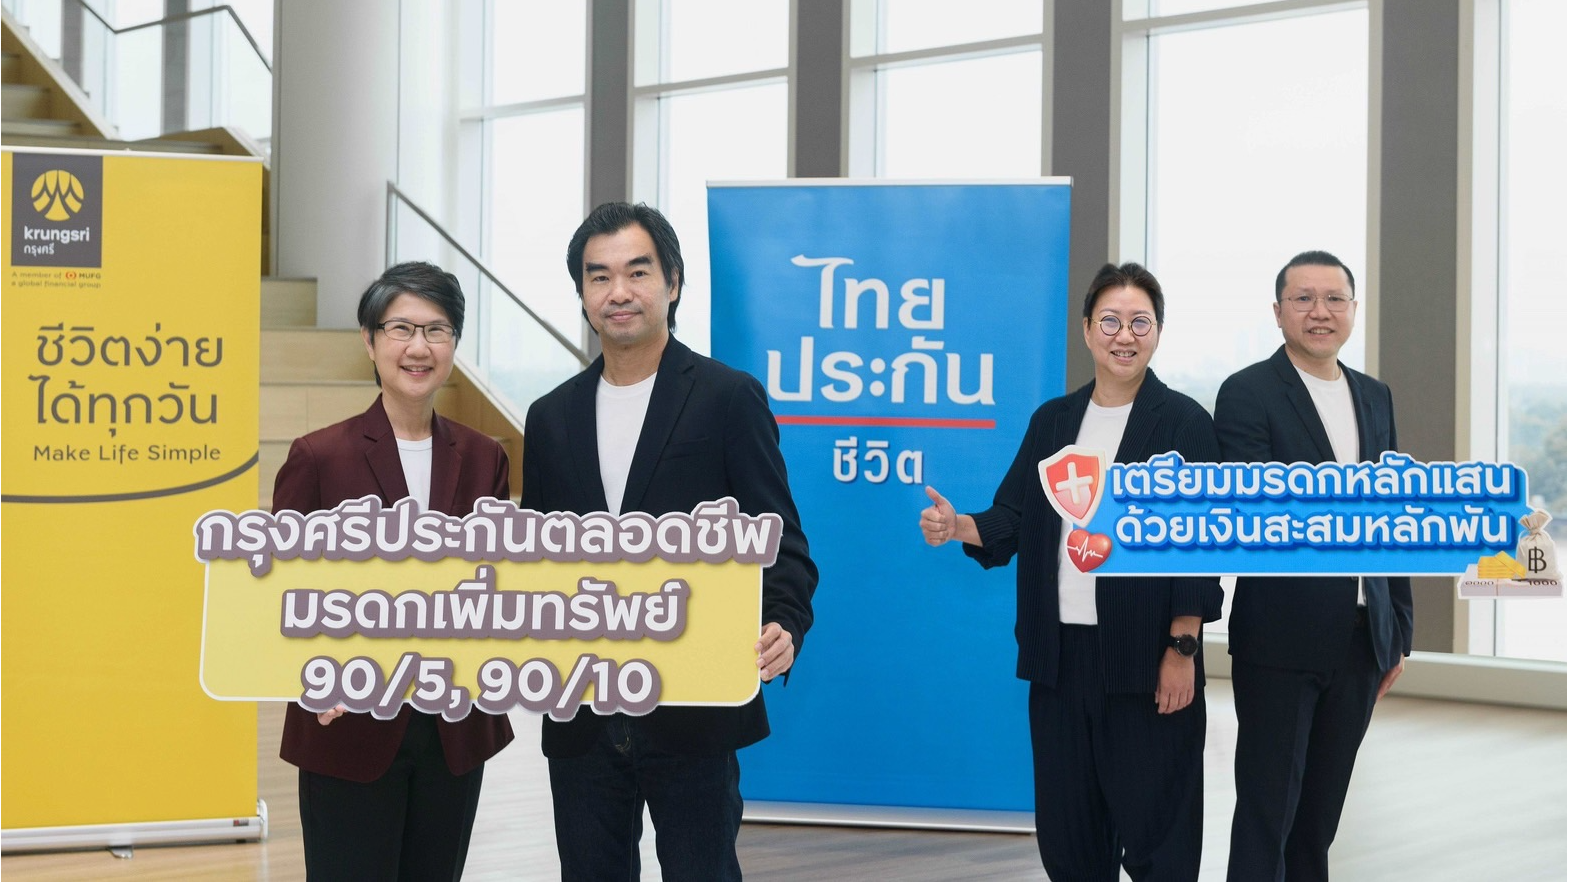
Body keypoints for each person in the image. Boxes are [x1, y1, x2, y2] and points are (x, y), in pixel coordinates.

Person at [521, 201, 817, 880]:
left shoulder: (727, 397)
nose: (618, 291)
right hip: (582, 711)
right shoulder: (550, 416)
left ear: (673, 282)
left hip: (695, 702)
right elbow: (534, 560)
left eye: (637, 271)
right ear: (582, 294)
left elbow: (779, 539)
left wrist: (785, 620)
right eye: (599, 276)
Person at [920, 262, 1222, 881]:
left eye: (1140, 322)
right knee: (1070, 838)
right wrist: (960, 526)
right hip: (1059, 660)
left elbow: (1199, 547)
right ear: (1086, 330)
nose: (1124, 335)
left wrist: (1182, 648)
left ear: (1158, 333)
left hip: (1147, 659)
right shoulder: (1054, 422)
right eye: (1110, 321)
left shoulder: (1185, 424)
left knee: (1159, 838)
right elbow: (1014, 515)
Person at [271, 261, 515, 880]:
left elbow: (499, 585)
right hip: (347, 726)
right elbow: (280, 589)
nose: (418, 347)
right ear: (369, 340)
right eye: (401, 328)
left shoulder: (484, 457)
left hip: (455, 729)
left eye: (436, 330)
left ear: (454, 343)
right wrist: (310, 672)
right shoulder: (318, 457)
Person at [1215, 250, 1414, 881]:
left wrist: (1397, 630)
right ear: (1278, 312)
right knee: (1267, 813)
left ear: (1353, 310)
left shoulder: (1374, 396)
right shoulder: (1247, 393)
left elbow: (1393, 516)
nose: (1319, 312)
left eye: (1334, 299)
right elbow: (1255, 511)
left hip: (1360, 641)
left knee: (1319, 822)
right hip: (1281, 638)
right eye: (1303, 299)